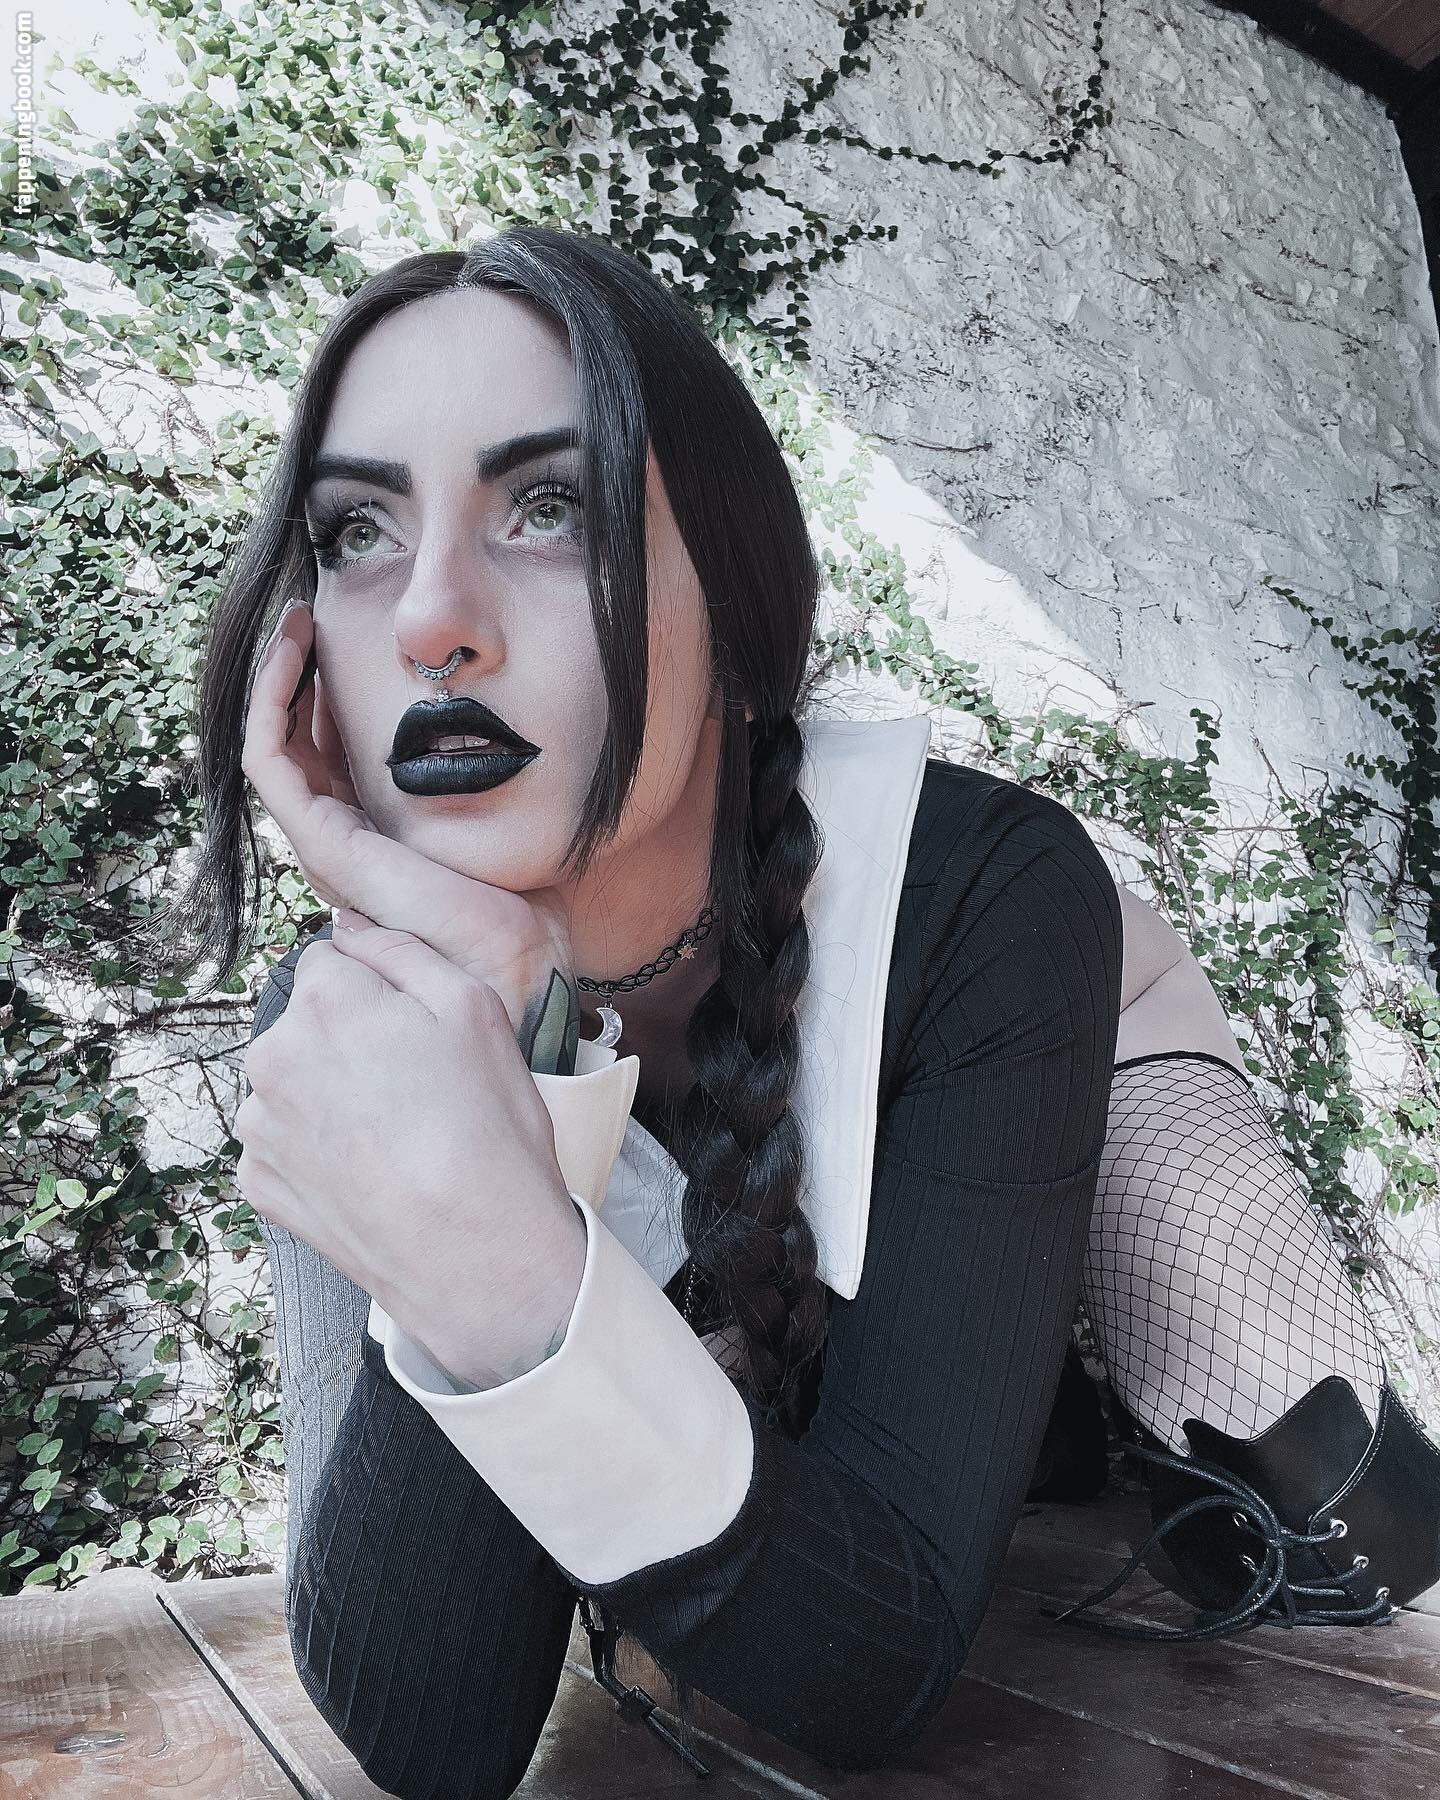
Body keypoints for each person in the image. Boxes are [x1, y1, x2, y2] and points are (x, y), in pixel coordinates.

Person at [159, 225, 1438, 1799]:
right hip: (763, 1261)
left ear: (739, 598)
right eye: (357, 530)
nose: (432, 617)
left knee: (1349, 1534)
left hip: (1068, 1060)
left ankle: (1082, 1411)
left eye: (551, 507)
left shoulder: (985, 890)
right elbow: (430, 1733)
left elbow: (879, 1670)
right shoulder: (349, 1031)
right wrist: (514, 1057)